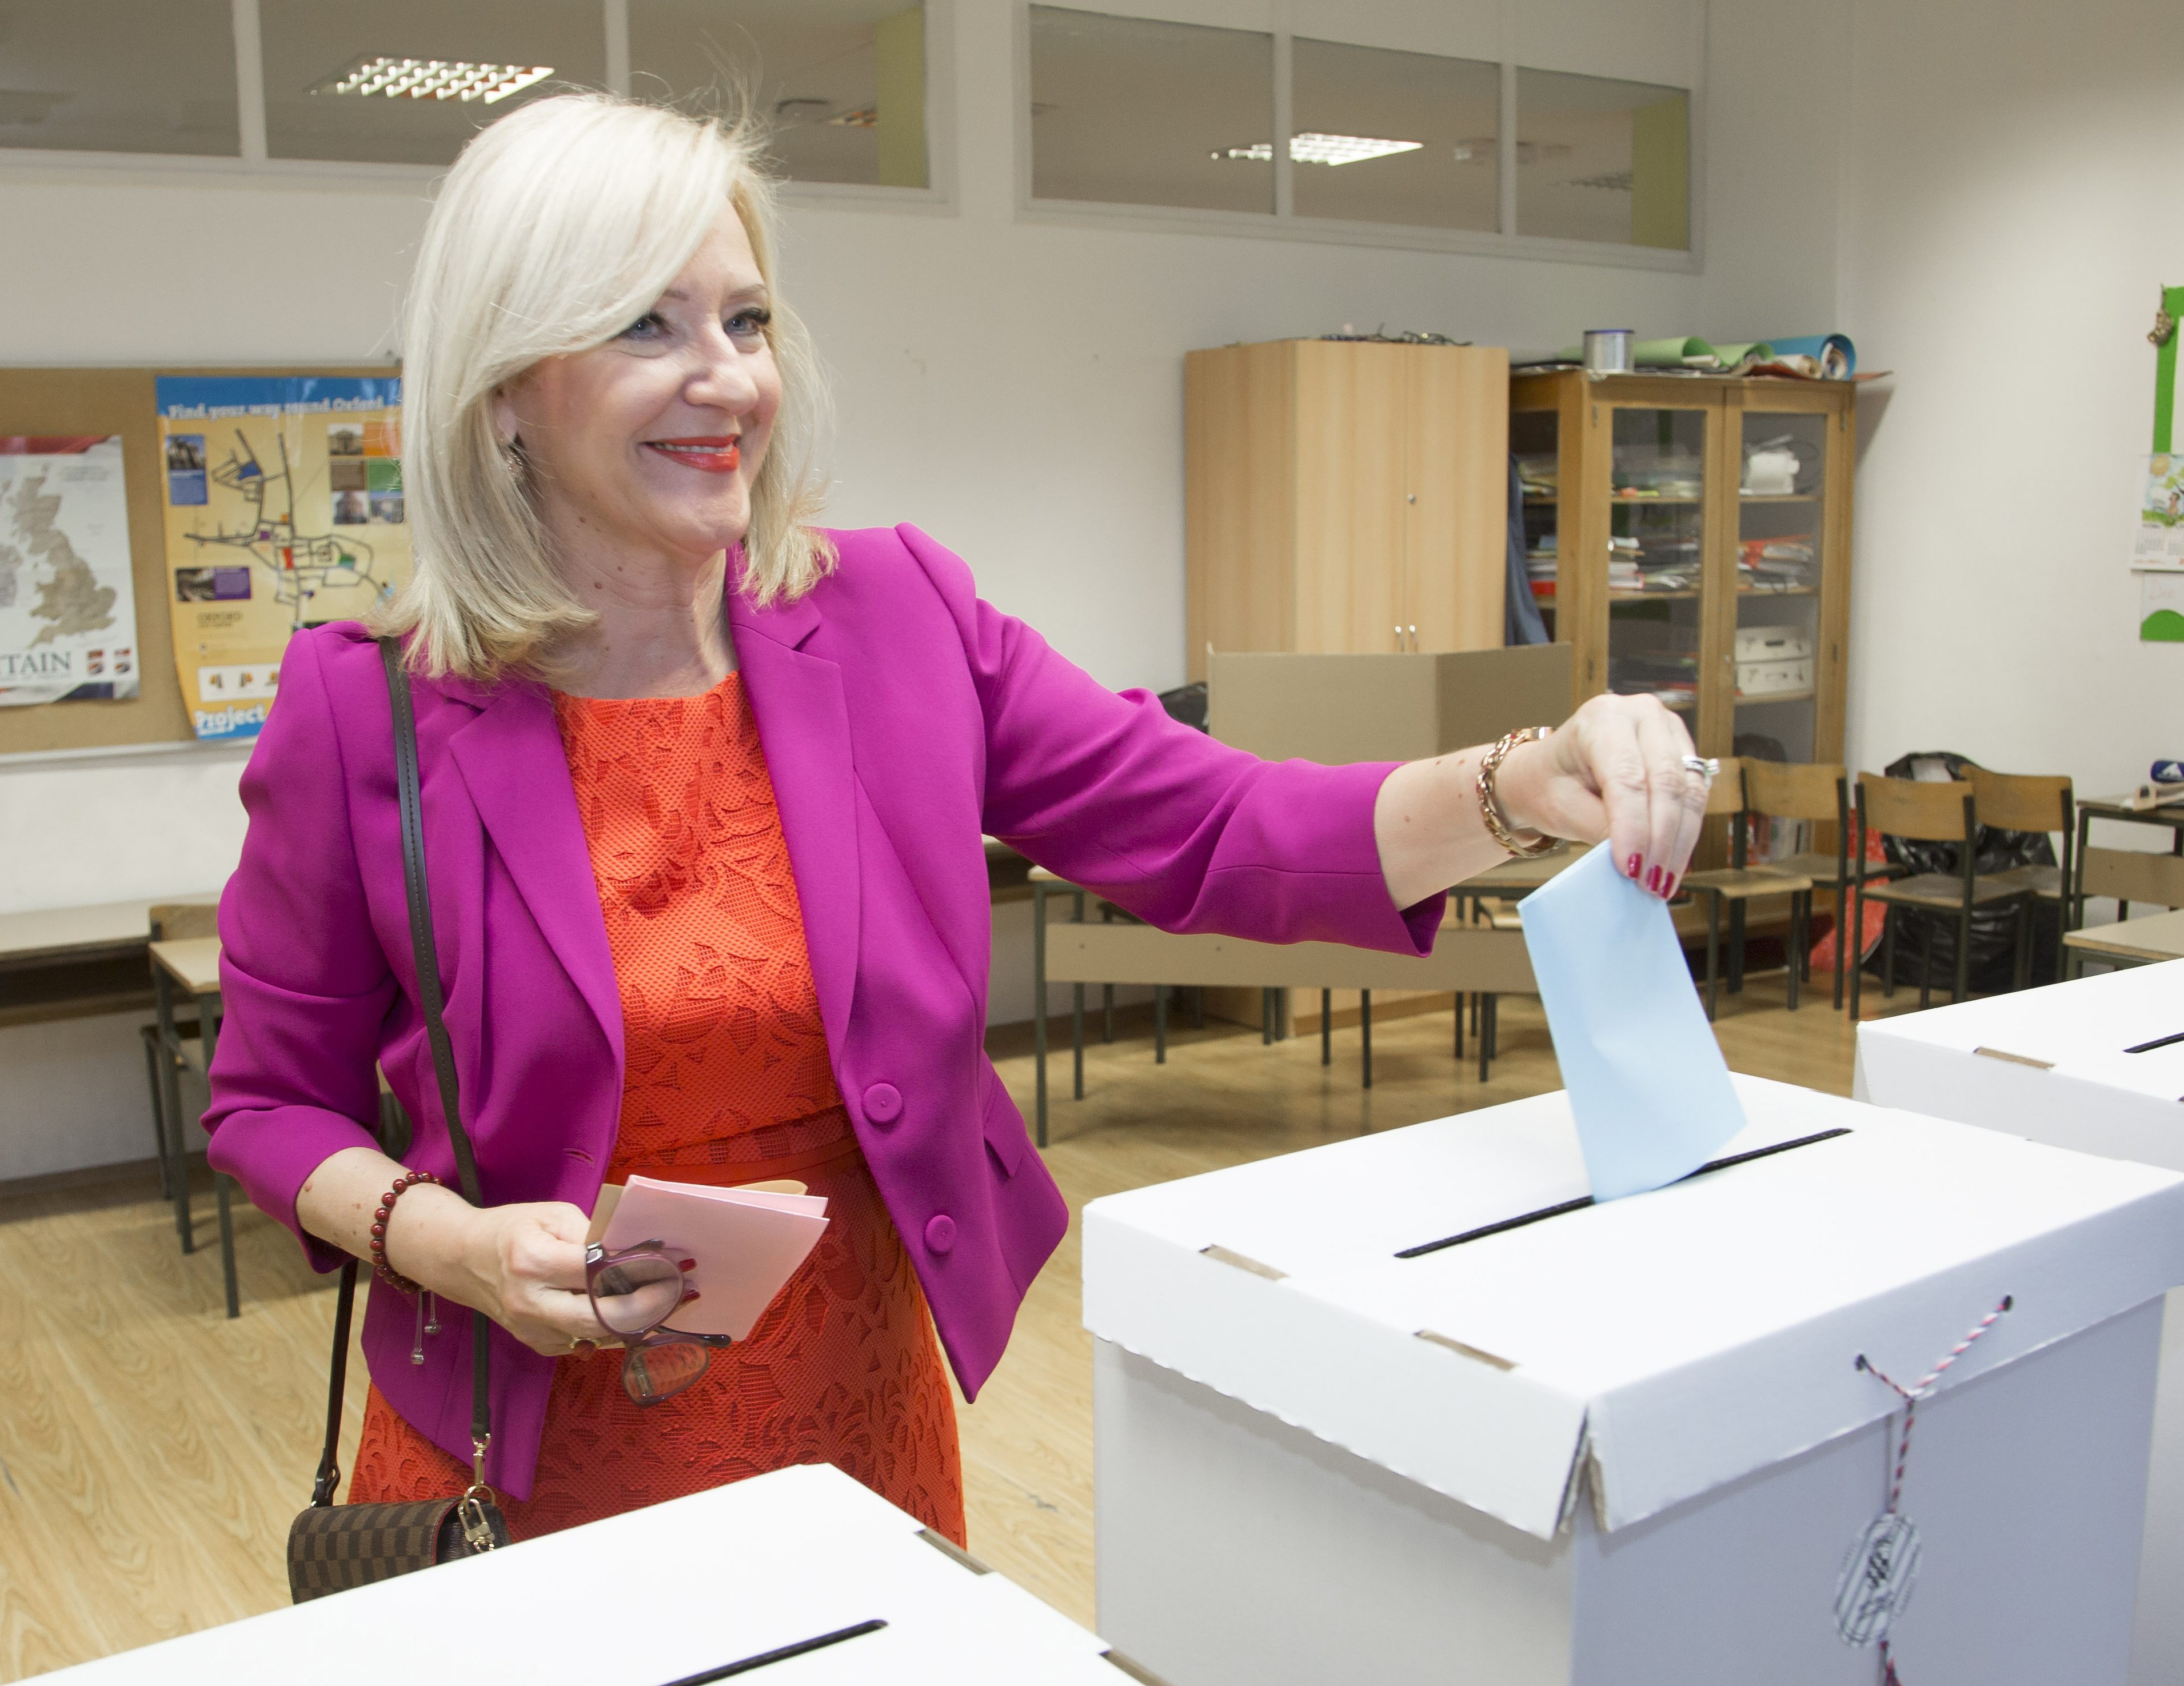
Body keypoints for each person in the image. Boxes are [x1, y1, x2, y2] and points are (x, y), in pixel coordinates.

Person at [205, 95, 1707, 1547]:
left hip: (849, 1421)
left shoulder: (895, 616)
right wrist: (448, 1243)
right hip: (521, 1463)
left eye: (747, 318)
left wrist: (1521, 782)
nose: (724, 376)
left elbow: (1222, 829)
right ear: (507, 387)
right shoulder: (369, 710)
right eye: (644, 325)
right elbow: (269, 1104)